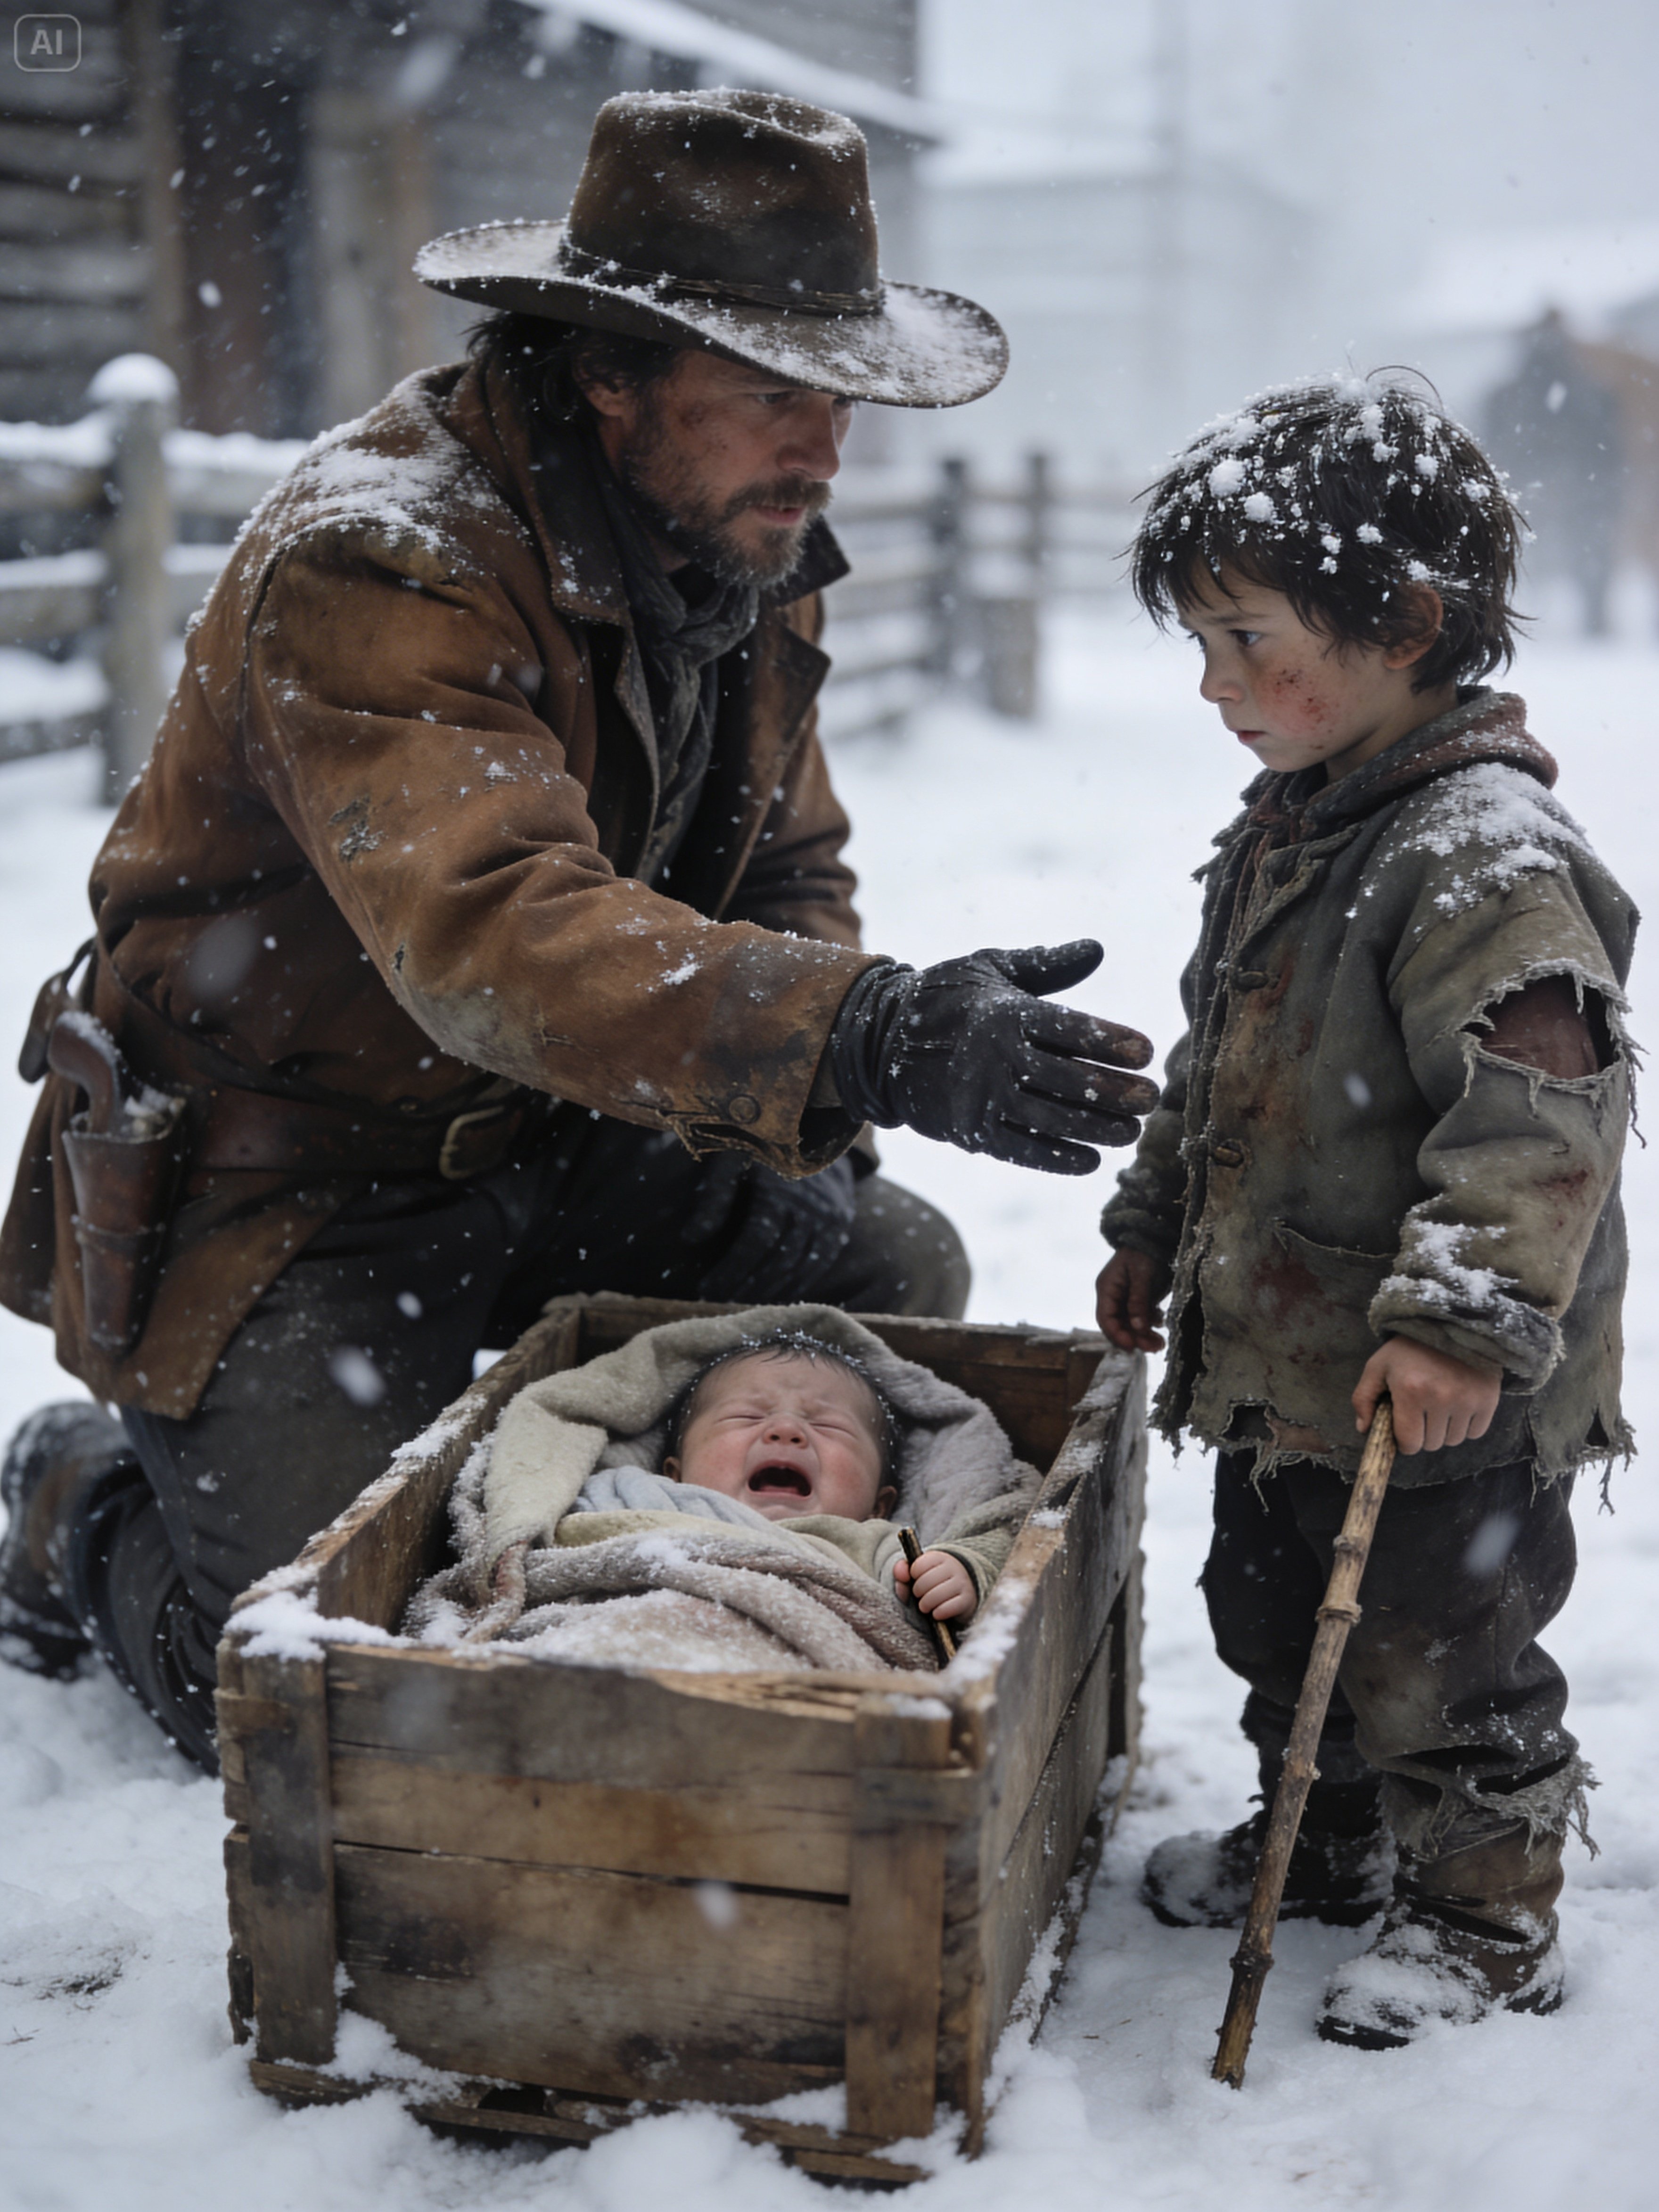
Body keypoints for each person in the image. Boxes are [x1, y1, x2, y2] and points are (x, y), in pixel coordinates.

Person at [0, 89, 1157, 1768]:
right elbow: (495, 929)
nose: (820, 446)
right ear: (610, 370)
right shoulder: (382, 558)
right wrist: (857, 1033)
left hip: (568, 1124)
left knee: (886, 1278)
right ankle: (72, 1503)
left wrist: (803, 1101)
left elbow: (783, 871)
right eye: (772, 391)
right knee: (322, 1690)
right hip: (298, 1182)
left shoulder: (745, 535)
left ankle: (664, 1557)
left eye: (835, 394)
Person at [1095, 375, 1635, 2048]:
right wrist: (1149, 1220)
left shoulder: (1480, 857)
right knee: (1273, 1611)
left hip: (1437, 1385)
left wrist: (1465, 1321)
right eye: (1199, 644)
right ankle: (1322, 1840)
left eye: (1248, 639)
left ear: (1403, 618)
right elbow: (1223, 1058)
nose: (1216, 687)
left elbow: (1543, 1110)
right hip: (1293, 1356)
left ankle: (1484, 1908)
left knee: (1435, 1651)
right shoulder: (1298, 829)